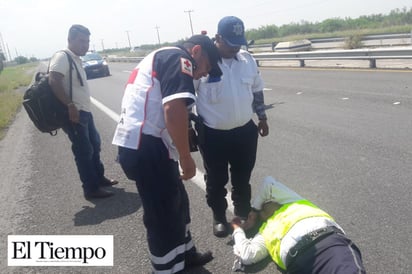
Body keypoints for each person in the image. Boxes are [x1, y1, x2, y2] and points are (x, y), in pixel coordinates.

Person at [112, 35, 222, 273]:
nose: (203, 75)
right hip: (147, 146)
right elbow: (173, 109)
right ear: (196, 52)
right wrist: (186, 156)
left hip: (148, 143)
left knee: (177, 203)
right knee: (162, 216)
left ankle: (185, 255)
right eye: (206, 68)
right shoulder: (178, 58)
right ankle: (166, 269)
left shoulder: (163, 55)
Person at [195, 16, 269, 237]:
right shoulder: (205, 61)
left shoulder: (247, 60)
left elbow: (257, 89)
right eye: (230, 42)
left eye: (239, 42)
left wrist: (262, 117)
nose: (236, 47)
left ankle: (242, 213)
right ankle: (219, 216)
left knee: (242, 176)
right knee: (216, 179)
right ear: (217, 38)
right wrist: (190, 128)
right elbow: (188, 95)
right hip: (213, 134)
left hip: (245, 132)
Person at [230, 176, 366, 274]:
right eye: (262, 210)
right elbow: (247, 255)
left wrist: (254, 212)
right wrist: (237, 229)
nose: (265, 205)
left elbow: (268, 183)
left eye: (266, 202)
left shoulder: (293, 201)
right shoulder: (264, 231)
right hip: (297, 263)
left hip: (327, 244)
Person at [48, 24, 118, 200]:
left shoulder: (76, 58)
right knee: (83, 151)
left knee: (94, 145)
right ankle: (91, 188)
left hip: (84, 111)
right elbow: (54, 80)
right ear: (69, 40)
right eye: (81, 41)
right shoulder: (63, 57)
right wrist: (70, 105)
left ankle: (99, 178)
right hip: (74, 113)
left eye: (87, 41)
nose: (85, 45)